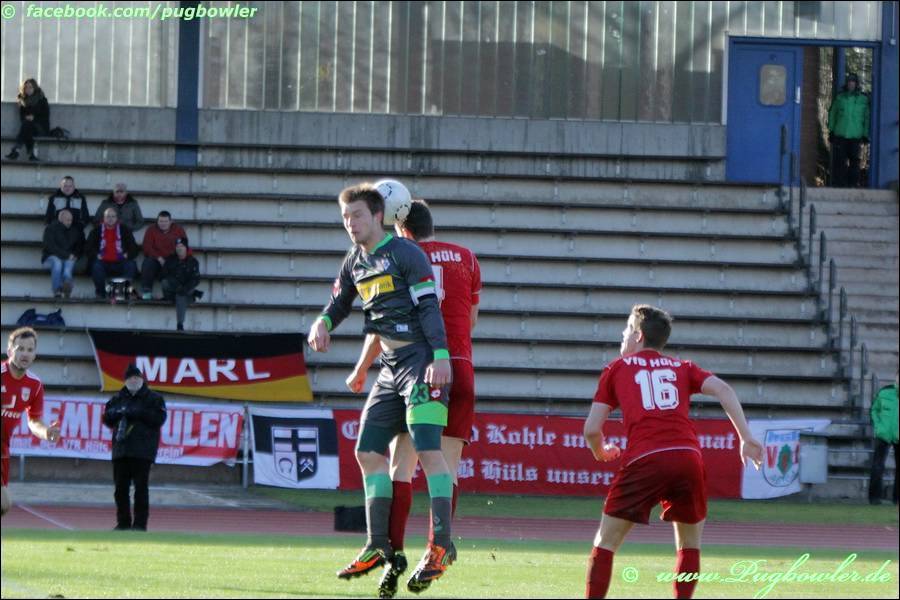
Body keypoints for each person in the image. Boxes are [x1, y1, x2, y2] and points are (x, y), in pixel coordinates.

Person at [307, 183, 456, 593]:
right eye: (345, 217)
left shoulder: (406, 253)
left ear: (378, 216)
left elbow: (429, 307)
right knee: (367, 452)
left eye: (356, 215)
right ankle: (377, 544)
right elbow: (339, 303)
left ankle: (442, 545)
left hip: (421, 361)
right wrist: (322, 322)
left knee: (428, 450)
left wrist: (441, 357)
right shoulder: (354, 261)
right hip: (390, 369)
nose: (350, 223)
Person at [345, 199, 482, 598]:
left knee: (400, 468)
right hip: (459, 367)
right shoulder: (466, 257)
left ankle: (392, 556)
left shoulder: (398, 257)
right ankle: (437, 551)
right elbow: (471, 319)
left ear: (400, 228)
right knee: (445, 466)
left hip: (417, 367)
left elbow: (385, 326)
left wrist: (361, 368)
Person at [582, 305, 763, 599]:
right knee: (689, 545)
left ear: (638, 335)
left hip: (645, 458)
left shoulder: (616, 368)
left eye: (627, 329)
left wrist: (600, 450)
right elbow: (724, 390)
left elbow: (591, 429)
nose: (623, 334)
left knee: (605, 542)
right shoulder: (683, 367)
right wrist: (746, 437)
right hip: (687, 456)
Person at [1, 328, 61, 518]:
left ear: (35, 354)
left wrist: (46, 432)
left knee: (3, 506)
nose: (25, 354)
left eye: (29, 350)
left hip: (3, 448)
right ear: (9, 351)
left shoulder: (34, 385)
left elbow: (34, 421)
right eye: (20, 349)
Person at [102, 363, 167, 531]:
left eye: (136, 377)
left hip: (142, 450)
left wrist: (138, 412)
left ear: (142, 379)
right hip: (121, 450)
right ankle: (123, 523)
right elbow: (107, 418)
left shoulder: (154, 399)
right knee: (120, 490)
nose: (133, 380)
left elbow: (159, 419)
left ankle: (140, 524)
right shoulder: (117, 398)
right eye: (130, 378)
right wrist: (118, 413)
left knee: (141, 489)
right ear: (125, 380)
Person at [86, 207, 140, 299]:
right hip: (102, 262)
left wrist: (127, 254)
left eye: (113, 216)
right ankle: (101, 294)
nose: (110, 219)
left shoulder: (124, 230)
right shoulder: (96, 231)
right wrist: (96, 255)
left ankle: (120, 293)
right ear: (104, 218)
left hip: (121, 261)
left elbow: (134, 248)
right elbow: (88, 248)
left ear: (116, 218)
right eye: (108, 216)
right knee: (96, 266)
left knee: (131, 265)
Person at [828, 72, 870, 188]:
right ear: (846, 84)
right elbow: (833, 114)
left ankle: (852, 184)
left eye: (853, 82)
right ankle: (839, 185)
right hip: (840, 135)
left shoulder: (863, 99)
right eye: (849, 82)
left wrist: (865, 134)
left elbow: (867, 118)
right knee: (839, 161)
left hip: (856, 136)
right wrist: (831, 131)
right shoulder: (840, 98)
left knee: (855, 162)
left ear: (856, 84)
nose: (851, 84)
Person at [868, 369, 898, 505]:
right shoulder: (884, 392)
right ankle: (874, 498)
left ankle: (897, 499)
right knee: (877, 466)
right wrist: (878, 426)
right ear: (896, 377)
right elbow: (874, 410)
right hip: (883, 434)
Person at [140, 211, 187, 300]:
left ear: (171, 222)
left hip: (172, 260)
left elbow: (183, 246)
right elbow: (146, 247)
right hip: (156, 261)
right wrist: (158, 258)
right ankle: (147, 293)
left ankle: (173, 294)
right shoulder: (151, 229)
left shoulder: (178, 230)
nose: (163, 224)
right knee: (148, 263)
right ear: (157, 221)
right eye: (161, 221)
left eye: (165, 221)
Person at [41, 208, 85, 298]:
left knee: (68, 266)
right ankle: (57, 290)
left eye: (71, 220)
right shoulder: (50, 229)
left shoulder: (75, 231)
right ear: (60, 219)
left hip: (68, 258)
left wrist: (75, 255)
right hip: (50, 257)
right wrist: (67, 255)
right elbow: (50, 247)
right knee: (57, 263)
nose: (69, 222)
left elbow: (79, 246)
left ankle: (67, 286)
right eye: (67, 220)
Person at [161, 237, 201, 331]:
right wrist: (177, 286)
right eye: (177, 246)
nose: (179, 248)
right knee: (165, 283)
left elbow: (195, 279)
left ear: (186, 248)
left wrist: (185, 288)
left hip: (186, 289)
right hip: (173, 289)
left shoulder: (193, 261)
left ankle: (180, 324)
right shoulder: (170, 260)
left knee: (181, 294)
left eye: (181, 246)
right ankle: (192, 297)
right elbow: (164, 275)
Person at [5, 78, 50, 162]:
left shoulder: (42, 100)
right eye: (26, 87)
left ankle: (16, 150)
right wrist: (25, 113)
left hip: (41, 128)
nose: (28, 89)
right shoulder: (23, 102)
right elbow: (22, 118)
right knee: (27, 126)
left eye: (30, 87)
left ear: (35, 88)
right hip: (28, 127)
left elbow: (45, 117)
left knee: (27, 126)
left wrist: (34, 118)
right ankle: (30, 155)